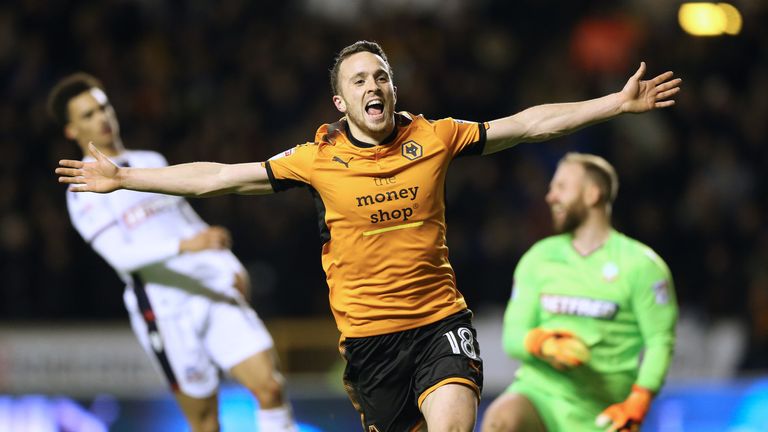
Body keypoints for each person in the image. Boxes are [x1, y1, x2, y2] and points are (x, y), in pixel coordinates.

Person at [56, 41, 681, 432]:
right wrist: (124, 178)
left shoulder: (433, 137)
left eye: (380, 76)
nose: (373, 87)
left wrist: (612, 104)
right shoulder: (316, 158)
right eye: (359, 80)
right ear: (340, 101)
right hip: (369, 343)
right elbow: (219, 177)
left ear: (393, 88)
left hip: (440, 323)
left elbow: (525, 124)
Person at [47, 73, 298, 432]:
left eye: (103, 107)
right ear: (71, 131)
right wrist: (184, 246)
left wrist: (229, 264)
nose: (101, 117)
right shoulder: (81, 192)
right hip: (164, 310)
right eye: (87, 115)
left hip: (210, 288)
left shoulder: (150, 159)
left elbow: (188, 222)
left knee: (270, 387)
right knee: (206, 423)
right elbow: (122, 258)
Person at [480, 153, 679, 432]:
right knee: (502, 420)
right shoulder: (539, 258)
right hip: (542, 394)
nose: (550, 197)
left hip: (605, 408)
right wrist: (544, 343)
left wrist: (640, 398)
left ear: (592, 194)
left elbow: (660, 341)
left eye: (561, 187)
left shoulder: (642, 266)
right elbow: (512, 336)